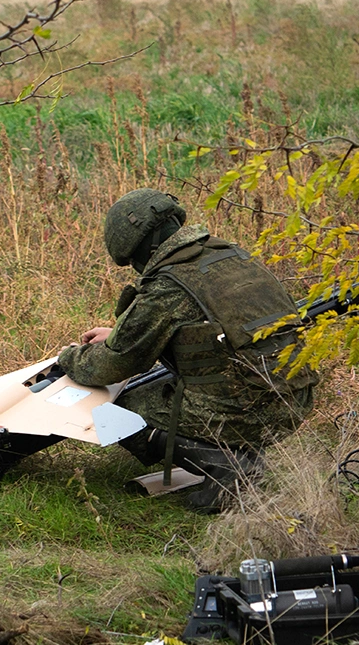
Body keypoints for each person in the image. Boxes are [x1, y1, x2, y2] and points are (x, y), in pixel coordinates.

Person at [57, 189, 319, 513]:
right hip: (295, 399)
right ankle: (242, 451)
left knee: (116, 410)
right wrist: (118, 335)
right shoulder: (230, 255)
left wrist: (69, 357)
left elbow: (112, 366)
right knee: (191, 385)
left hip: (252, 410)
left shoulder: (169, 283)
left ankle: (229, 469)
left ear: (139, 250)